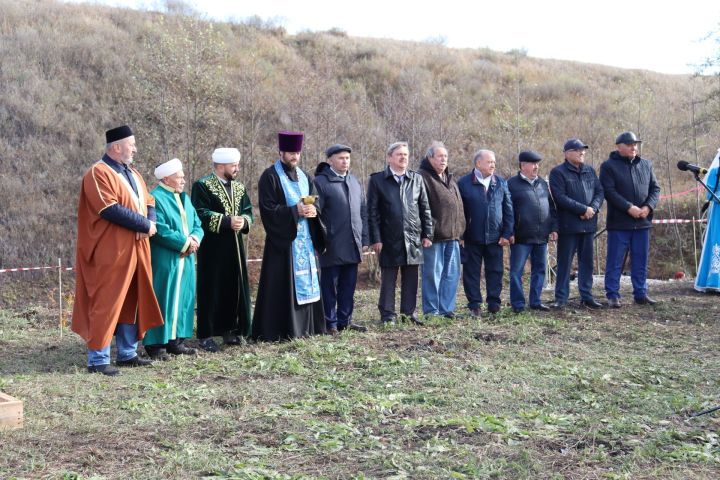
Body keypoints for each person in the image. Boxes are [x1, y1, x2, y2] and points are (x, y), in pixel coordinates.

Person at [71, 125, 163, 376]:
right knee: (107, 301)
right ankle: (98, 358)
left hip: (138, 247)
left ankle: (127, 353)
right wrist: (144, 224)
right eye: (131, 144)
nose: (135, 148)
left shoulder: (134, 173)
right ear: (116, 147)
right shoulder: (97, 173)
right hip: (111, 251)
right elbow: (108, 209)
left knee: (133, 299)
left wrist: (150, 222)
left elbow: (149, 201)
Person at [252, 131, 326, 341]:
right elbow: (268, 209)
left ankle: (308, 328)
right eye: (291, 152)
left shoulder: (305, 176)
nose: (295, 156)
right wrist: (295, 211)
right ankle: (282, 330)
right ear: (281, 152)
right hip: (283, 244)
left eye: (297, 152)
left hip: (305, 241)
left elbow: (316, 203)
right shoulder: (270, 176)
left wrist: (313, 212)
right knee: (282, 285)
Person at [192, 148, 254, 352]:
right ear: (220, 166)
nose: (237, 169)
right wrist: (227, 221)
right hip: (213, 248)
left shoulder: (239, 187)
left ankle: (230, 329)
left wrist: (243, 221)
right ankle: (206, 334)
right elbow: (200, 213)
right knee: (211, 289)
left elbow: (248, 212)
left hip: (235, 249)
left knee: (232, 288)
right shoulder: (202, 186)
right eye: (233, 165)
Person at [143, 158, 204, 360]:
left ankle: (176, 341)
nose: (184, 180)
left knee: (183, 299)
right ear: (167, 178)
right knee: (163, 298)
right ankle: (156, 344)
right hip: (166, 259)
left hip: (185, 260)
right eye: (180, 177)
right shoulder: (155, 198)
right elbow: (159, 229)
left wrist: (194, 239)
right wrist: (184, 244)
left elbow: (197, 222)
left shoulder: (184, 198)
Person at [367, 141, 433, 325]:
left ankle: (408, 314)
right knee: (389, 279)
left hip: (413, 237)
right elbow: (372, 213)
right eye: (399, 154)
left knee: (411, 278)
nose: (403, 157)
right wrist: (376, 238)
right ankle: (387, 315)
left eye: (405, 154)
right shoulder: (378, 180)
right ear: (389, 158)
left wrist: (427, 234)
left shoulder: (416, 179)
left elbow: (425, 208)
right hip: (389, 238)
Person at [599, 131, 661, 307]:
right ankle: (612, 295)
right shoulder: (608, 166)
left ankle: (640, 294)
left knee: (640, 260)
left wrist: (647, 207)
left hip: (642, 222)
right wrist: (629, 207)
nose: (634, 147)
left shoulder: (646, 165)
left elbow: (655, 189)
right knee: (615, 260)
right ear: (619, 147)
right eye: (629, 144)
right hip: (619, 223)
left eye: (635, 144)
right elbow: (609, 192)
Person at [314, 144, 369, 335]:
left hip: (353, 243)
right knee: (330, 286)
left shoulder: (354, 181)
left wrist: (364, 237)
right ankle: (330, 323)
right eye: (340, 158)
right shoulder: (321, 182)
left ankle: (345, 321)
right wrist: (321, 240)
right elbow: (316, 214)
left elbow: (363, 211)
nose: (345, 161)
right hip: (331, 244)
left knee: (348, 286)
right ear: (330, 160)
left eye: (347, 158)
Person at [548, 139, 604, 309]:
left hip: (589, 224)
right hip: (569, 226)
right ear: (566, 153)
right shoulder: (558, 172)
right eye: (578, 150)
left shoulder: (590, 171)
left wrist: (592, 208)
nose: (582, 153)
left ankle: (586, 296)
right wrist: (582, 209)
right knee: (564, 263)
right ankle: (561, 298)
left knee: (587, 262)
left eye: (583, 150)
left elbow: (599, 192)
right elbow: (560, 197)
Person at [457, 149, 513, 316]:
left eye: (494, 162)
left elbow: (508, 210)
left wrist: (506, 233)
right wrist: (461, 235)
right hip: (472, 237)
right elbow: (460, 213)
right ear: (478, 163)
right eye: (489, 162)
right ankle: (474, 304)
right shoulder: (464, 183)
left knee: (495, 271)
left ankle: (494, 303)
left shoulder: (501, 183)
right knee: (471, 272)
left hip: (496, 237)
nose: (493, 165)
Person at [418, 141, 465, 318]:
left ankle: (447, 309)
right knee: (432, 275)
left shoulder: (450, 179)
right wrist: (426, 233)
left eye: (445, 156)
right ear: (430, 158)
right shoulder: (422, 177)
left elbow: (459, 206)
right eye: (440, 156)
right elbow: (422, 208)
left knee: (451, 275)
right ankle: (432, 311)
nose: (443, 160)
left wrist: (461, 231)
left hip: (453, 236)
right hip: (434, 237)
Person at [507, 151, 558, 313]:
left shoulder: (542, 184)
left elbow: (552, 208)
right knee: (516, 271)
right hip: (520, 236)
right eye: (533, 164)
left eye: (538, 164)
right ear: (523, 165)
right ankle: (518, 304)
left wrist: (554, 228)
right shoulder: (511, 184)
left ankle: (535, 301)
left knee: (540, 270)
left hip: (541, 236)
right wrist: (509, 232)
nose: (536, 167)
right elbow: (507, 211)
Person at [695, 149, 720, 292]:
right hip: (718, 210)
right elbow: (710, 191)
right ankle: (715, 281)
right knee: (717, 241)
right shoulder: (715, 172)